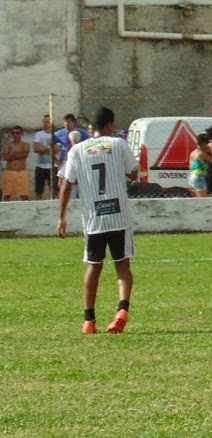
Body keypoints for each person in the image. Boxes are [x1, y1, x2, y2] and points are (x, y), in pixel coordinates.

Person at [56, 107, 137, 334]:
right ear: (110, 125)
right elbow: (133, 173)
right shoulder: (119, 144)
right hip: (119, 217)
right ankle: (122, 310)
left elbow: (66, 183)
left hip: (94, 218)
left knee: (94, 266)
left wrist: (61, 217)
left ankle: (89, 320)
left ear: (92, 127)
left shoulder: (77, 150)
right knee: (122, 266)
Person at [189, 131, 212, 198]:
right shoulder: (202, 154)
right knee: (203, 199)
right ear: (203, 144)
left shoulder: (193, 153)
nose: (208, 146)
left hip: (193, 176)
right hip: (199, 177)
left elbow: (190, 167)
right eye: (207, 144)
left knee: (201, 197)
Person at [34, 115, 58, 200]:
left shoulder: (56, 134)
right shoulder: (38, 134)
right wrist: (49, 148)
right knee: (39, 190)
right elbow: (36, 148)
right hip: (40, 167)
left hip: (53, 166)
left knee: (55, 190)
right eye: (44, 121)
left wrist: (43, 148)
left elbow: (56, 150)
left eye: (47, 122)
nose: (45, 123)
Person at [4, 127, 32, 200]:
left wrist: (12, 154)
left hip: (21, 171)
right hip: (9, 171)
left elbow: (24, 155)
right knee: (7, 195)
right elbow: (5, 157)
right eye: (13, 133)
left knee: (24, 195)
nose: (15, 135)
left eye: (17, 133)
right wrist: (17, 154)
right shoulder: (8, 145)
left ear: (21, 134)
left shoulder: (25, 144)